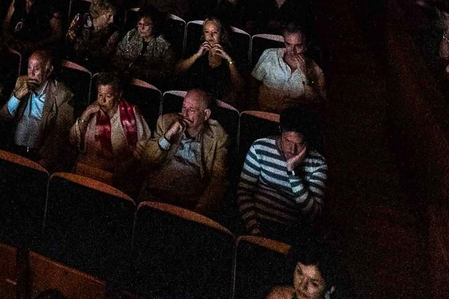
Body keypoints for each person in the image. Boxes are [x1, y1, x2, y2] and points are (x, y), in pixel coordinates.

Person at [238, 108, 328, 240]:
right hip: (256, 221)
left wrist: (292, 172)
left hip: (290, 231)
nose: (292, 150)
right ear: (281, 131)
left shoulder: (318, 163)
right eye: (288, 141)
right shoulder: (259, 147)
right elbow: (244, 191)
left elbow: (313, 214)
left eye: (299, 144)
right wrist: (254, 228)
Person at [138, 88, 230, 213]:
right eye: (183, 107)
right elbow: (147, 160)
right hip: (156, 193)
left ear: (206, 114)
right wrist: (168, 135)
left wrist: (199, 210)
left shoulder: (218, 136)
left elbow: (218, 179)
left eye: (191, 110)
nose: (185, 114)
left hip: (188, 203)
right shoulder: (166, 122)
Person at [71, 72, 154, 184]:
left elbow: (144, 144)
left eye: (108, 96)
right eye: (100, 95)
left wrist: (126, 165)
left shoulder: (131, 113)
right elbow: (73, 139)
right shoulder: (92, 111)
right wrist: (85, 114)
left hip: (116, 174)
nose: (102, 101)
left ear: (118, 95)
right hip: (87, 168)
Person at [1, 49, 75, 168]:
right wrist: (17, 96)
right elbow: (3, 116)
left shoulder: (62, 93)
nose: (32, 73)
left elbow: (60, 134)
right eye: (29, 68)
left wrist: (44, 161)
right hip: (13, 149)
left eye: (37, 68)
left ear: (48, 70)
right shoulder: (21, 81)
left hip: (38, 156)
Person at [252, 26, 326, 110]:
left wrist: (305, 77)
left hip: (290, 119)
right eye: (288, 44)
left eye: (298, 46)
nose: (292, 51)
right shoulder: (270, 55)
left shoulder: (316, 69)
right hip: (263, 113)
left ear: (306, 45)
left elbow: (319, 104)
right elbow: (253, 83)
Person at [112, 9, 178, 86]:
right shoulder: (131, 35)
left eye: (146, 25)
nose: (141, 28)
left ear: (154, 26)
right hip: (124, 80)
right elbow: (117, 56)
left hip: (149, 85)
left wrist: (141, 71)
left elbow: (167, 73)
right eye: (139, 24)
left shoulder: (164, 44)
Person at [266, 239, 345, 299]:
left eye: (314, 283)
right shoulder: (279, 296)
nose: (302, 286)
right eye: (299, 273)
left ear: (331, 289)